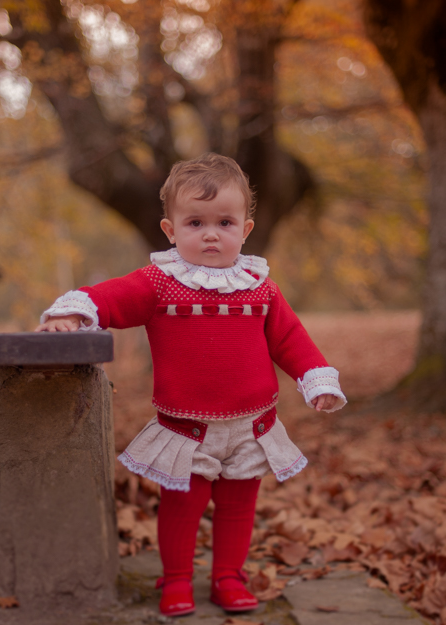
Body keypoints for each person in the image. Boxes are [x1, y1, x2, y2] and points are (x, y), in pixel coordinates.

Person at [35, 153, 346, 617]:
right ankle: (176, 579)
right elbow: (113, 296)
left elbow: (290, 339)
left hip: (251, 425)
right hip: (186, 427)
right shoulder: (161, 283)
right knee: (182, 506)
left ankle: (228, 577)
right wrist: (75, 311)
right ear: (170, 229)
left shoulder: (260, 288)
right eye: (195, 222)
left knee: (238, 508)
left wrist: (314, 378)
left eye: (225, 221)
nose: (210, 233)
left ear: (245, 229)